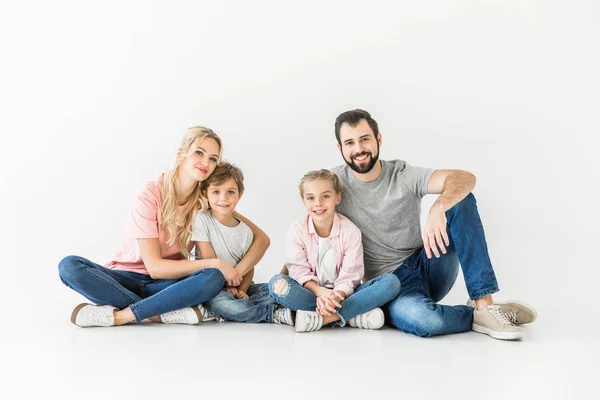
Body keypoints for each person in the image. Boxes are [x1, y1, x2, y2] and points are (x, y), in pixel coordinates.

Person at [328, 109, 537, 340]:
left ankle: (485, 304)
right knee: (425, 320)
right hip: (390, 287)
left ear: (378, 139)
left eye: (365, 139)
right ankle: (481, 315)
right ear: (340, 148)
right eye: (350, 142)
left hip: (429, 265)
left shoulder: (402, 174)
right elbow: (308, 231)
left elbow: (464, 177)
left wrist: (438, 207)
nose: (358, 149)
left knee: (460, 200)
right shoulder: (333, 186)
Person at [58, 127, 270, 327]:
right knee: (69, 267)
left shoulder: (205, 199)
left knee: (212, 278)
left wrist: (233, 271)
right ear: (183, 153)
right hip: (125, 279)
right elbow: (155, 267)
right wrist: (215, 262)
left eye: (213, 158)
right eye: (199, 153)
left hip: (170, 283)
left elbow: (261, 239)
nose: (205, 162)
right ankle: (160, 312)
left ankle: (122, 315)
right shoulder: (150, 193)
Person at [269, 169, 400, 333]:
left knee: (391, 282)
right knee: (275, 284)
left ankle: (325, 318)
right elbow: (298, 271)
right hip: (310, 292)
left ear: (337, 197)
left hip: (344, 294)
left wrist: (335, 295)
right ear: (303, 200)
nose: (318, 203)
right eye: (311, 198)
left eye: (325, 196)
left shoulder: (350, 231)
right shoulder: (296, 230)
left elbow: (350, 276)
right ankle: (352, 315)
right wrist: (320, 292)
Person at [193, 162, 293, 325]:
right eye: (216, 192)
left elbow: (249, 266)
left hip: (240, 286)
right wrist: (226, 287)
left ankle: (241, 308)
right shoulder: (201, 220)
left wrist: (242, 290)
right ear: (205, 194)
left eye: (230, 192)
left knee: (274, 288)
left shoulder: (245, 231)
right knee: (220, 303)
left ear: (240, 194)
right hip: (213, 289)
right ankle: (273, 314)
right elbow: (209, 262)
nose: (223, 198)